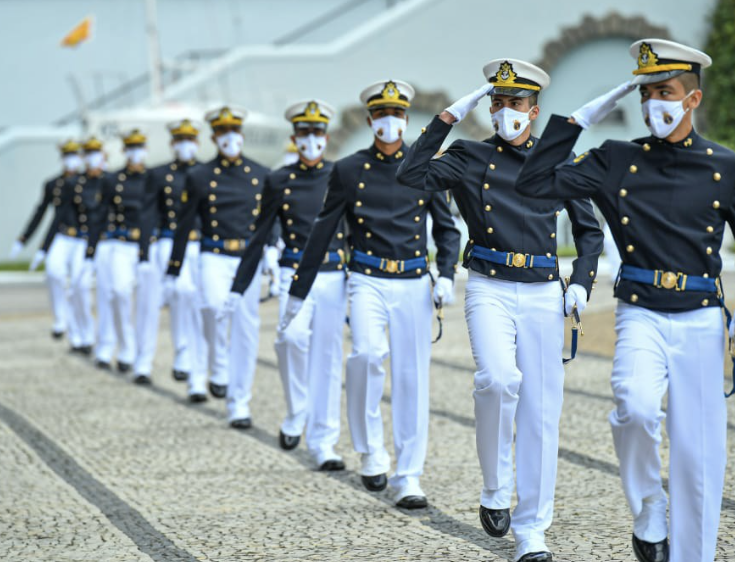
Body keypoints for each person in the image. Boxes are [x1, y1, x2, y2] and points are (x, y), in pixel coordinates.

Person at [515, 39, 729, 562]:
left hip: (700, 318)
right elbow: (534, 182)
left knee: (699, 458)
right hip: (640, 312)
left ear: (691, 99)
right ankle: (648, 504)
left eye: (667, 91)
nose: (655, 102)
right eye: (646, 92)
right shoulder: (617, 158)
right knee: (633, 409)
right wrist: (583, 116)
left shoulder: (725, 166)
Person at [397, 59, 604, 562]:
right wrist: (447, 118)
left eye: (515, 103)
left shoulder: (557, 158)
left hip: (540, 291)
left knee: (540, 413)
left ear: (534, 111)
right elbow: (411, 175)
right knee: (496, 380)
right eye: (498, 103)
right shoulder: (468, 155)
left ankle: (532, 530)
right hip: (488, 285)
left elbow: (589, 229)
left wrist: (581, 284)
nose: (505, 112)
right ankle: (495, 485)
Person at [282, 80, 461, 508]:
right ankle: (370, 451)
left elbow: (447, 227)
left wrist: (448, 273)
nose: (389, 122)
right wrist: (297, 293)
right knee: (364, 355)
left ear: (406, 119)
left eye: (396, 114)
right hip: (366, 278)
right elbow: (323, 230)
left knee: (411, 377)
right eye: (381, 115)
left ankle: (409, 475)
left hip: (415, 281)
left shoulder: (425, 166)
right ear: (369, 121)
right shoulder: (347, 169)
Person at [218, 100, 348, 470]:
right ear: (295, 138)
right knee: (289, 341)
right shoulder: (279, 180)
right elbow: (258, 236)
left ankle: (324, 441)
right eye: (305, 133)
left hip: (334, 274)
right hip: (294, 275)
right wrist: (238, 288)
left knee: (327, 358)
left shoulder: (341, 174)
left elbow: (354, 229)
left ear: (326, 136)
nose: (312, 139)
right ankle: (296, 411)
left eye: (318, 132)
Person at [166, 106, 270, 425]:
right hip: (213, 252)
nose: (229, 137)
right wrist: (175, 267)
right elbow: (184, 224)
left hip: (247, 257)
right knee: (212, 307)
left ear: (241, 134)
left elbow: (270, 217)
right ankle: (219, 365)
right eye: (222, 132)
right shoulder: (200, 176)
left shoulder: (261, 173)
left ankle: (239, 402)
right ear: (213, 137)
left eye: (234, 131)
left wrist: (275, 252)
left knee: (245, 327)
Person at [133, 119, 206, 388]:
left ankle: (187, 358)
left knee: (189, 297)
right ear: (173, 143)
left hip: (197, 245)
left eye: (189, 139)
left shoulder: (205, 171)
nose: (185, 144)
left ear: (197, 143)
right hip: (166, 242)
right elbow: (148, 214)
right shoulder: (159, 174)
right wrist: (143, 253)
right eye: (179, 139)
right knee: (149, 303)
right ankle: (143, 360)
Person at [82, 130, 159, 373]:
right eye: (131, 147)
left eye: (140, 147)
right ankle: (126, 345)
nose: (136, 152)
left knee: (148, 305)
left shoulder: (155, 178)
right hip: (121, 244)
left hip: (149, 244)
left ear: (146, 150)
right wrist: (91, 251)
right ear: (124, 151)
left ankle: (144, 359)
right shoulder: (113, 180)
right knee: (119, 292)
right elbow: (100, 216)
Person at [41, 139, 110, 356]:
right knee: (56, 274)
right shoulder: (74, 184)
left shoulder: (106, 181)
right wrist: (44, 246)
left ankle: (86, 335)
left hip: (87, 240)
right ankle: (70, 329)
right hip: (68, 237)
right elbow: (57, 216)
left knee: (80, 288)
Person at [11, 140, 82, 339]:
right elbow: (41, 212)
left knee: (78, 283)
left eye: (74, 154)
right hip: (60, 235)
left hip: (83, 238)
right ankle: (60, 319)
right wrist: (23, 239)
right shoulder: (54, 184)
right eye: (67, 155)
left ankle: (77, 327)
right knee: (53, 273)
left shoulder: (89, 181)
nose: (71, 159)